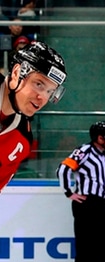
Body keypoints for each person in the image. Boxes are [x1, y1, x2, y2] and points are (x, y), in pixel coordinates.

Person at [56, 121, 105, 262]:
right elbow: (63, 169)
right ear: (100, 138)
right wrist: (69, 192)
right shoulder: (84, 152)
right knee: (86, 244)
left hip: (103, 204)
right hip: (86, 203)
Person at [0, 41, 67, 193]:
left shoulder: (21, 140)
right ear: (17, 73)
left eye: (50, 92)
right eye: (39, 84)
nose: (42, 97)